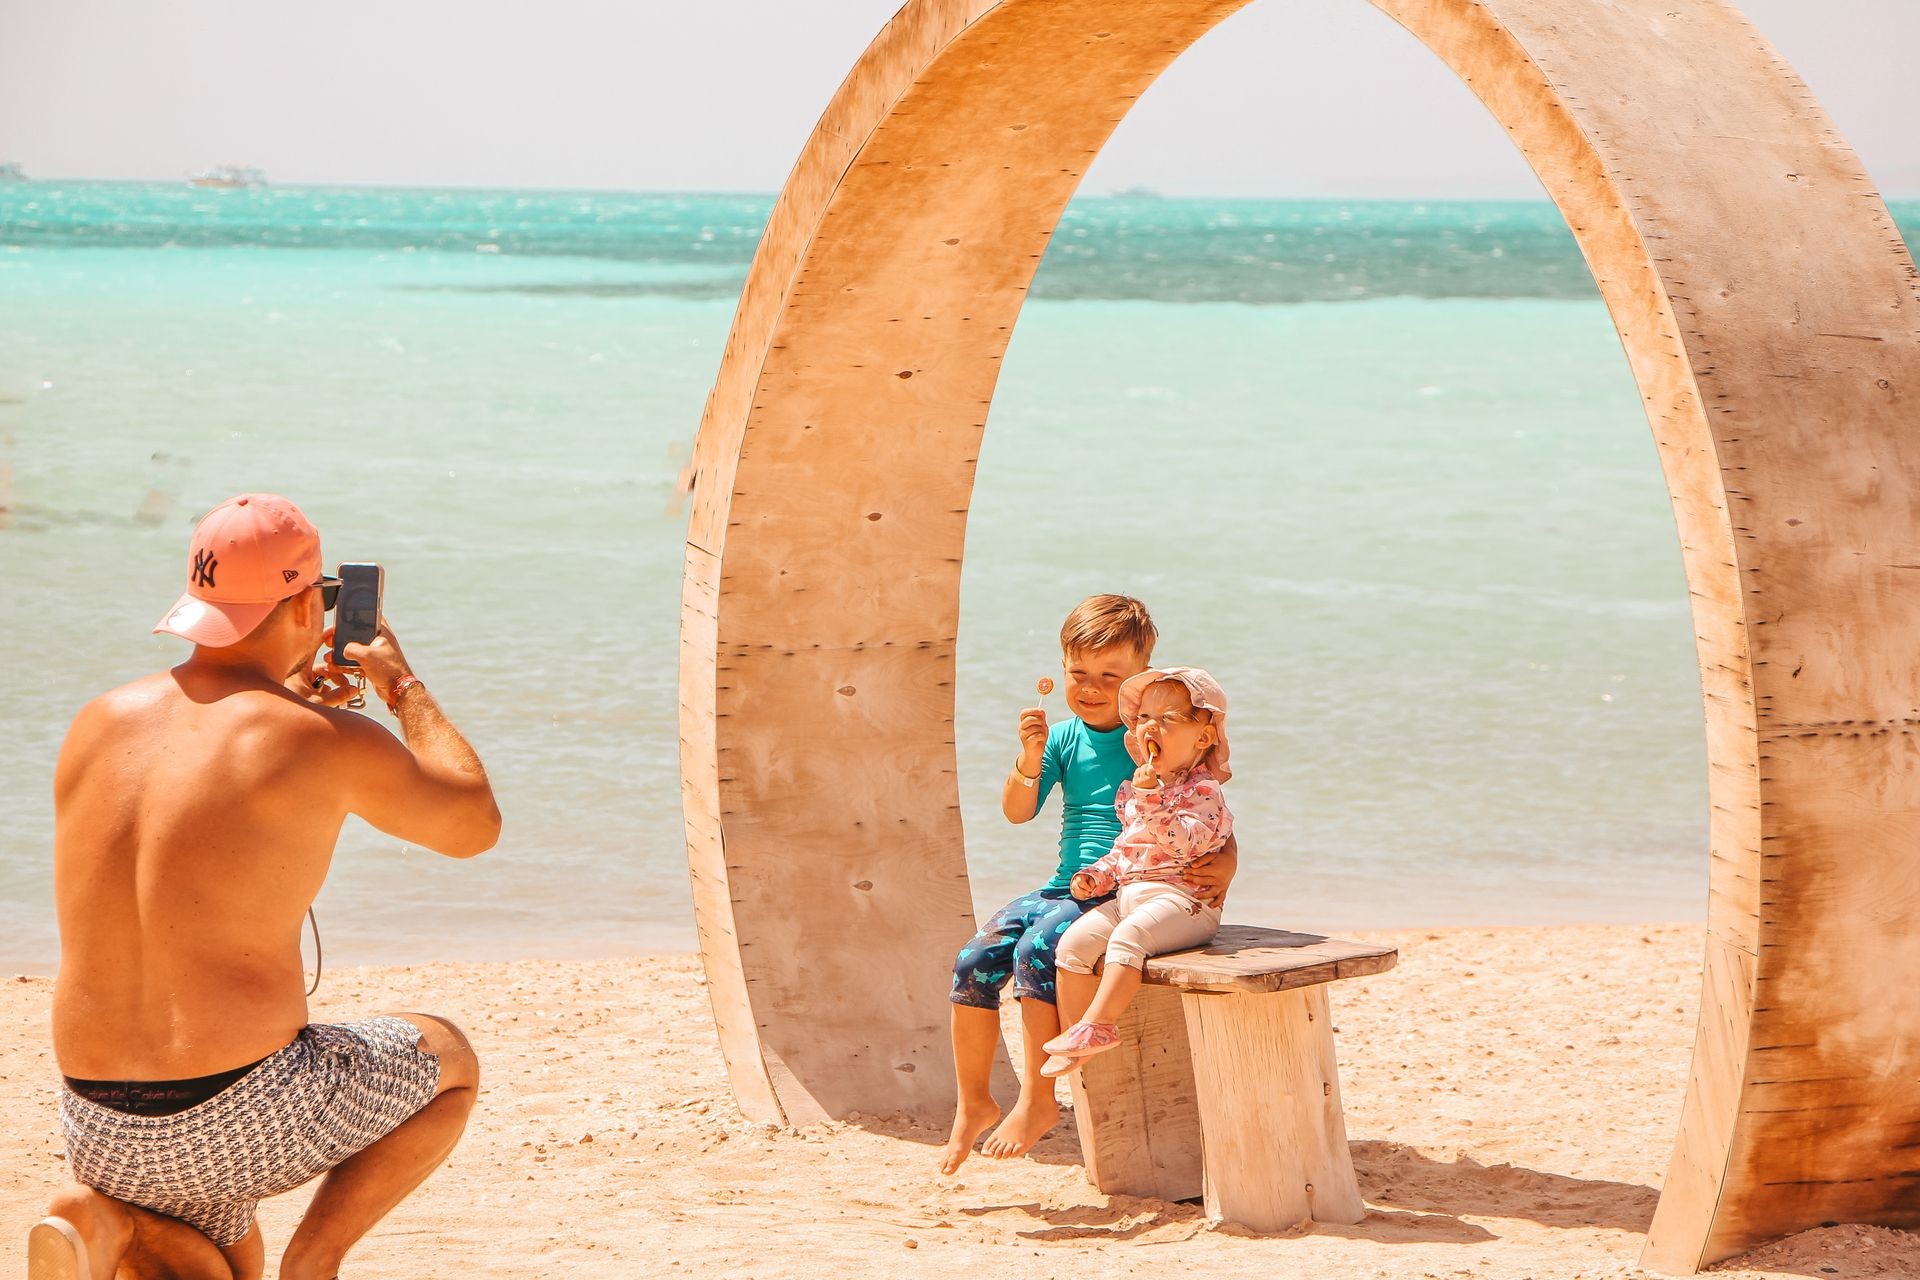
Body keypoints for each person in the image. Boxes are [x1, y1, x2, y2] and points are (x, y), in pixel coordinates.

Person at [28, 493, 501, 1280]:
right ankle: (312, 1266)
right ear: (305, 606)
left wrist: (299, 714)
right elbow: (473, 825)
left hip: (96, 1125)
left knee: (219, 1267)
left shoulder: (97, 722)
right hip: (239, 1113)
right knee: (449, 1056)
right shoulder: (321, 740)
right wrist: (398, 685)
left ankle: (114, 1222)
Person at [940, 597, 1238, 1174]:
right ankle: (974, 1100)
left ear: (1138, 682)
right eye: (1079, 674)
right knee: (972, 958)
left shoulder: (1156, 738)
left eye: (1111, 676)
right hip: (1069, 884)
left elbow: (1209, 811)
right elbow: (1017, 812)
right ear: (1062, 668)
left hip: (1124, 889)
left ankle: (1036, 1101)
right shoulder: (1061, 738)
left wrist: (1227, 864)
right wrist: (1029, 760)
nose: (1092, 687)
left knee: (1036, 951)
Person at [1042, 667, 1232, 1076]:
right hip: (1131, 895)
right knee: (1072, 945)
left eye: (1168, 719)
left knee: (1128, 937)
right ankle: (1077, 1036)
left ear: (1203, 737)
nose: (1151, 727)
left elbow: (1185, 843)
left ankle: (1099, 1025)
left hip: (1184, 903)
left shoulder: (1203, 792)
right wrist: (1099, 874)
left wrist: (1150, 798)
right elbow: (1127, 850)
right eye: (1144, 717)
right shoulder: (1134, 790)